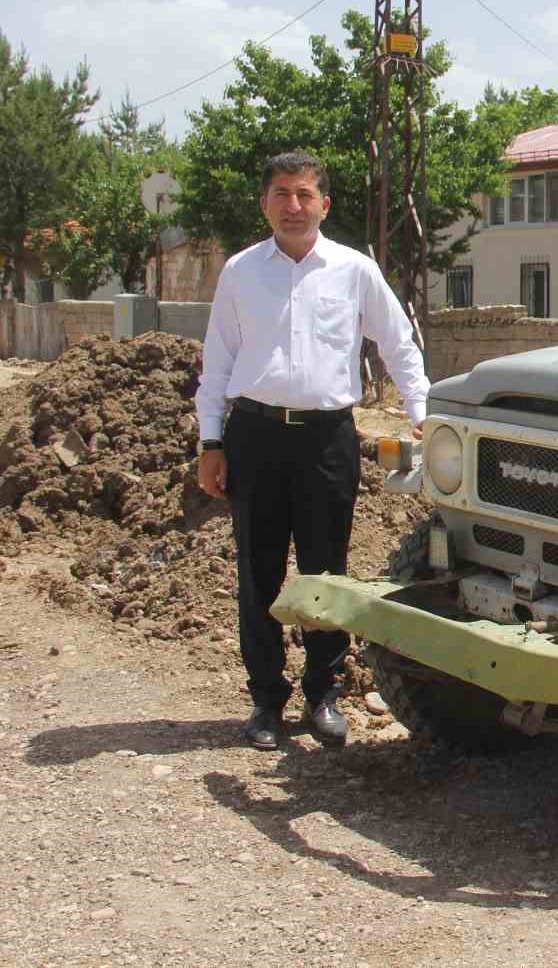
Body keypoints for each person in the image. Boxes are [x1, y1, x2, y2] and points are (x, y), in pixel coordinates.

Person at [195, 152, 429, 750]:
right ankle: (266, 701)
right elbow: (217, 362)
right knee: (259, 572)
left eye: (304, 195)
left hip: (328, 439)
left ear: (324, 204)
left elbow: (397, 342)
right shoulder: (241, 272)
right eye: (281, 194)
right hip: (255, 436)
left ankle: (322, 694)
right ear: (264, 204)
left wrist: (422, 412)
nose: (293, 206)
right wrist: (211, 441)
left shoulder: (353, 270)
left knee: (326, 570)